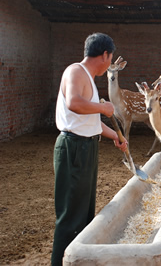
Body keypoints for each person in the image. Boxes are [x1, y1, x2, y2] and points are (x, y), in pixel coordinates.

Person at [51, 32, 127, 266]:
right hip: (73, 147)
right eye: (110, 58)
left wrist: (115, 135)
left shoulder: (89, 80)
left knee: (84, 214)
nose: (109, 64)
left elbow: (90, 122)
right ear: (104, 54)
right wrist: (103, 108)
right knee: (70, 217)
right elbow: (74, 103)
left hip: (86, 147)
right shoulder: (75, 71)